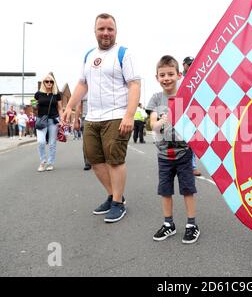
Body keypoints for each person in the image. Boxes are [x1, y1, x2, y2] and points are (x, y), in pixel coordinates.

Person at [62, 13, 141, 223]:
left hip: (116, 115)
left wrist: (129, 115)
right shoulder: (89, 55)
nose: (106, 33)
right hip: (92, 118)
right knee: (95, 159)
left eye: (110, 29)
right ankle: (115, 196)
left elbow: (134, 84)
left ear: (116, 31)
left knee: (114, 160)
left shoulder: (124, 54)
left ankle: (117, 203)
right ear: (95, 31)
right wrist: (69, 106)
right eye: (101, 29)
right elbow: (82, 84)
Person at [147, 55, 200, 244]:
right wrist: (162, 120)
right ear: (157, 77)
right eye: (162, 75)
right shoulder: (155, 98)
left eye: (170, 74)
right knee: (165, 191)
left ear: (179, 75)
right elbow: (152, 124)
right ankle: (168, 224)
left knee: (187, 189)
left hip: (184, 153)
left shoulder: (185, 96)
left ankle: (192, 224)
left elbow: (196, 120)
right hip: (163, 155)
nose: (166, 78)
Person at [35, 72, 64, 172]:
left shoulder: (57, 95)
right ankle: (42, 162)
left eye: (51, 81)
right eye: (47, 81)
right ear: (43, 82)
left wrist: (62, 120)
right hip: (41, 120)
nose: (49, 83)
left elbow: (60, 109)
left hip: (53, 120)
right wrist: (34, 106)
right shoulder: (38, 94)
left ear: (53, 83)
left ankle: (50, 163)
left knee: (52, 143)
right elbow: (34, 105)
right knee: (41, 142)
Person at [182, 56, 202, 177]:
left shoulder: (198, 77)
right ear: (184, 65)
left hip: (194, 112)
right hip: (180, 112)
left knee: (192, 140)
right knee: (179, 140)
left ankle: (193, 166)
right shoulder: (179, 78)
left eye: (192, 64)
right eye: (189, 64)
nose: (191, 66)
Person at [74, 103, 91, 170]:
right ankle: (87, 162)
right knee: (87, 142)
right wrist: (76, 121)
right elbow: (78, 106)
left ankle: (100, 160)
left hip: (102, 117)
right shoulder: (83, 92)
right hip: (86, 118)